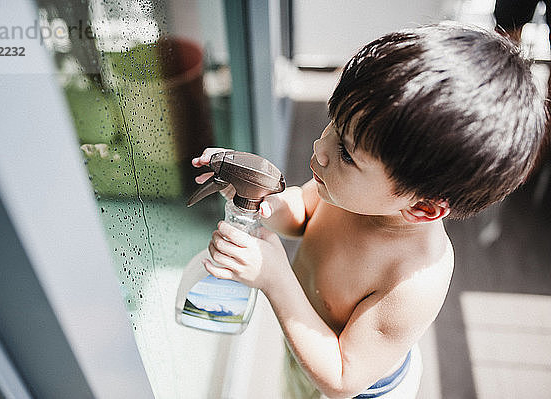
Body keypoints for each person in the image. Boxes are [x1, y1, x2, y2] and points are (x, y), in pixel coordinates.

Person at [191, 23, 546, 398]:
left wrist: (274, 279)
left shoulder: (414, 279)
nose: (320, 145)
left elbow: (342, 378)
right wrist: (260, 200)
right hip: (306, 350)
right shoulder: (348, 192)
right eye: (333, 120)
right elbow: (301, 213)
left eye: (346, 152)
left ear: (423, 207)